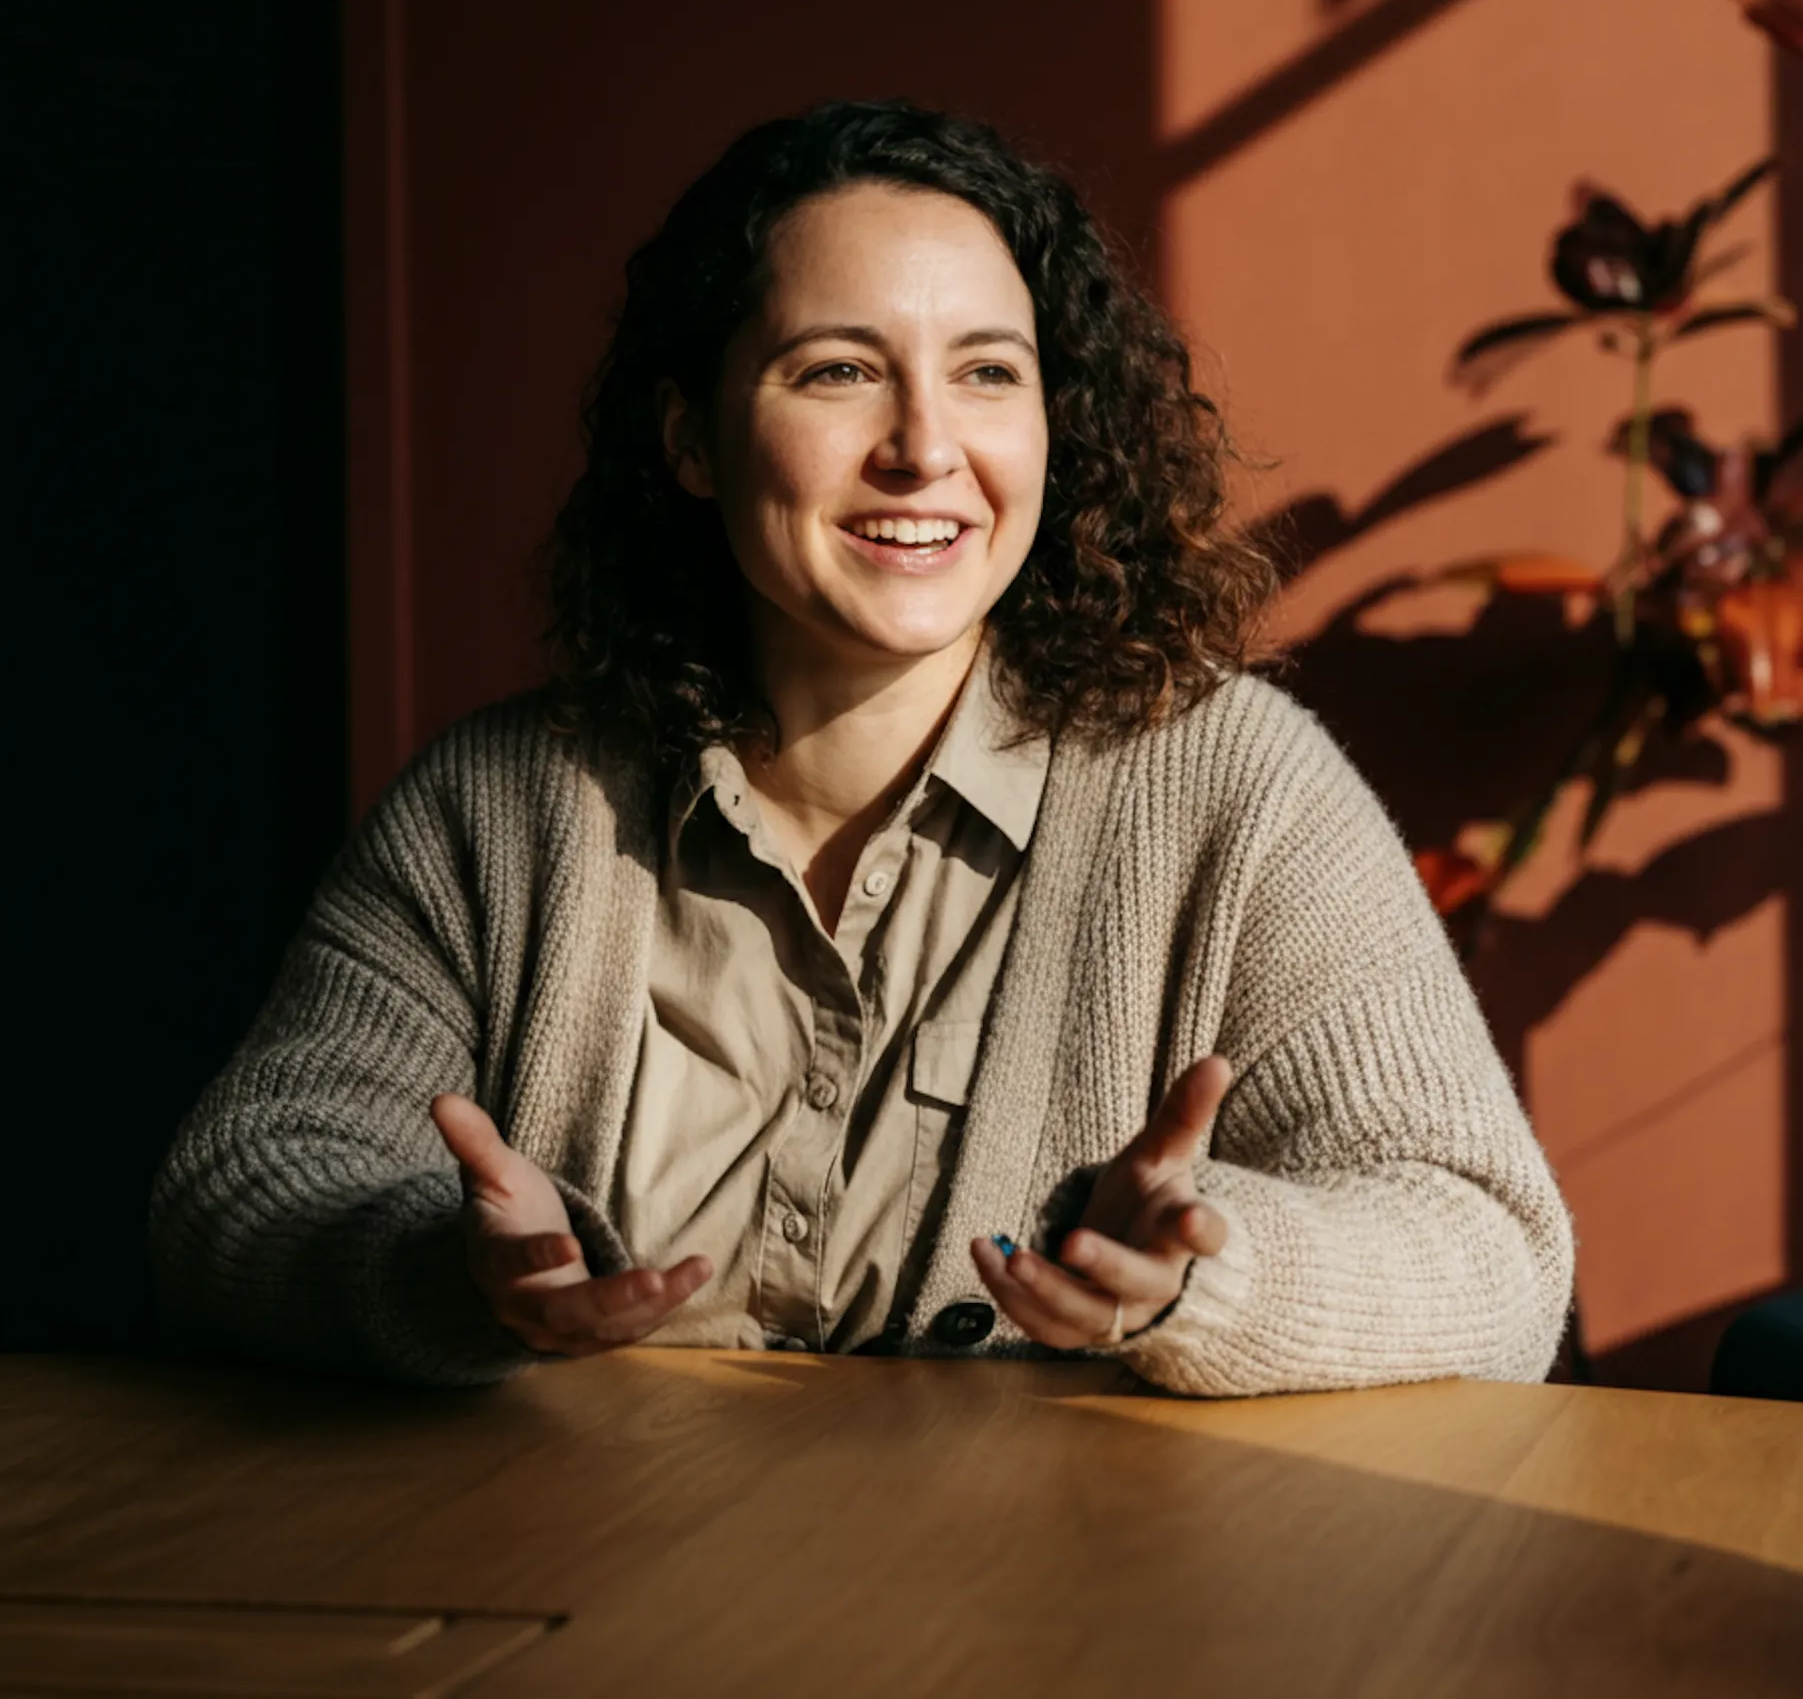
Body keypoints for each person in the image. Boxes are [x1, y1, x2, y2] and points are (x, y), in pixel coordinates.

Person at [149, 100, 1574, 1393]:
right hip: (580, 1577)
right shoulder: (503, 808)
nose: (922, 447)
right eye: (837, 371)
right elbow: (240, 1189)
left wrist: (1205, 1276)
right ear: (690, 438)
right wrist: (446, 1271)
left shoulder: (1235, 789)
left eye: (987, 373)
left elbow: (1493, 1257)